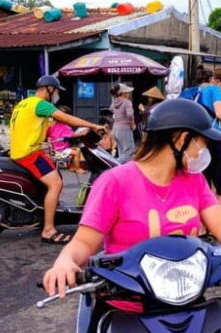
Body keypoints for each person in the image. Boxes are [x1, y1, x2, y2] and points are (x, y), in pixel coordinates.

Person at [41, 98, 221, 298]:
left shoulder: (194, 180)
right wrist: (65, 262)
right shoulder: (115, 182)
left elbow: (220, 222)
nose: (203, 151)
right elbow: (84, 241)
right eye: (203, 143)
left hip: (185, 297)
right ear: (181, 140)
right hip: (127, 300)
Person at [9, 75, 103, 244]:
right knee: (56, 184)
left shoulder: (24, 103)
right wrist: (93, 126)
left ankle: (45, 216)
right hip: (30, 153)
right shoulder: (41, 104)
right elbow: (66, 118)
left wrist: (72, 136)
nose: (57, 94)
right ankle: (48, 230)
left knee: (54, 179)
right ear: (49, 89)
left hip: (20, 151)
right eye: (57, 91)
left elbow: (41, 127)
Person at [181, 67, 221, 217]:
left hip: (195, 142)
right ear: (213, 79)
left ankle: (204, 227)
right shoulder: (213, 89)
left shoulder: (187, 92)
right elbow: (220, 113)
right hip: (214, 138)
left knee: (203, 185)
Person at [47, 105, 87, 173]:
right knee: (76, 152)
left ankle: (72, 167)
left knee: (73, 150)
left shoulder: (51, 125)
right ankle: (77, 168)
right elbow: (73, 135)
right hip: (61, 150)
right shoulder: (65, 127)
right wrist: (84, 132)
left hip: (54, 149)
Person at [110, 83, 136, 163]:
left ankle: (121, 171)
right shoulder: (127, 102)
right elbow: (130, 115)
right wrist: (132, 124)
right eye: (128, 92)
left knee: (122, 152)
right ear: (124, 93)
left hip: (115, 129)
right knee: (129, 152)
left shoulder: (114, 102)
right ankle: (112, 165)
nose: (129, 94)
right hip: (125, 129)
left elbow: (111, 109)